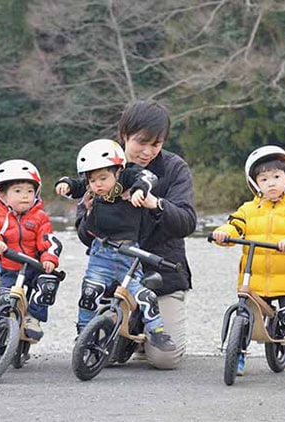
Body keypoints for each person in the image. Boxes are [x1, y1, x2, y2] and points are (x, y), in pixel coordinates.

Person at [72, 100, 196, 369]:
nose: (148, 151)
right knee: (102, 356)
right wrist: (90, 214)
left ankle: (143, 331)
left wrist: (156, 204)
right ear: (124, 134)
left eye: (157, 143)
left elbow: (187, 222)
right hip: (115, 274)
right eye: (142, 142)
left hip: (160, 273)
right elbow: (84, 235)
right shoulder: (100, 166)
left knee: (165, 360)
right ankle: (128, 331)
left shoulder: (174, 169)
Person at [211, 145, 285, 379]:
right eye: (264, 178)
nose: (271, 183)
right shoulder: (249, 209)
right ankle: (237, 354)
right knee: (244, 315)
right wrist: (222, 233)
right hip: (255, 278)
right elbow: (235, 225)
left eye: (276, 177)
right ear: (255, 183)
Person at [55, 139, 176, 351]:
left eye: (103, 178)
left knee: (145, 296)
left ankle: (157, 332)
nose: (97, 185)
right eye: (93, 181)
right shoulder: (93, 189)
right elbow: (76, 185)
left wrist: (139, 190)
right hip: (100, 252)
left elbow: (148, 176)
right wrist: (64, 183)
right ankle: (83, 334)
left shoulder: (128, 175)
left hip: (128, 253)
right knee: (88, 294)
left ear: (118, 172)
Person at [0, 159, 62, 343]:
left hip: (33, 266)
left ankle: (34, 318)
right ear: (2, 194)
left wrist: (49, 258)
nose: (25, 196)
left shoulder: (40, 217)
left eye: (30, 191)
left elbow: (49, 241)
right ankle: (1, 328)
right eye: (18, 191)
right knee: (6, 300)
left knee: (48, 283)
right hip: (10, 267)